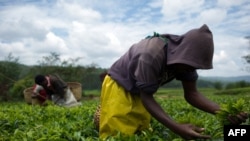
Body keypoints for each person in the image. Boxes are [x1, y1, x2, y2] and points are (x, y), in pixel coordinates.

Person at [98, 24, 248, 140]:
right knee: (117, 134)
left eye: (194, 67)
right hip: (119, 84)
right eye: (189, 66)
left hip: (140, 89)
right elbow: (147, 97)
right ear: (181, 54)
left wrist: (225, 112)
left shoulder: (187, 62)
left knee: (140, 129)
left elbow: (192, 94)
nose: (191, 70)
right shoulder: (151, 54)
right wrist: (177, 128)